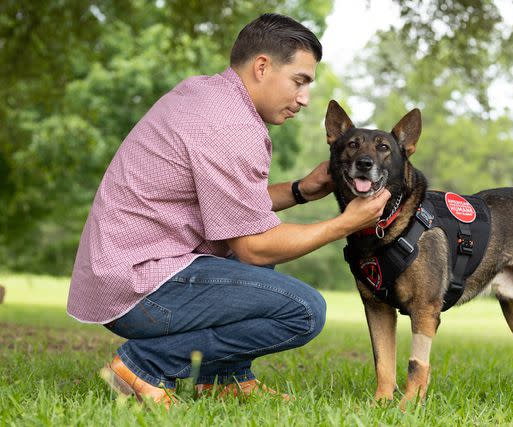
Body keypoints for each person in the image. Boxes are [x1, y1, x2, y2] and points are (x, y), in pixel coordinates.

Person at [67, 13, 390, 408]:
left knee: (258, 255)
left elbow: (234, 206)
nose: (304, 98)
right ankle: (143, 366)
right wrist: (345, 223)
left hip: (124, 274)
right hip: (139, 289)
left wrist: (300, 191)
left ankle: (222, 377)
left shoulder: (207, 96)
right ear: (262, 67)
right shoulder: (229, 125)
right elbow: (254, 246)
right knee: (304, 311)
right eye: (300, 81)